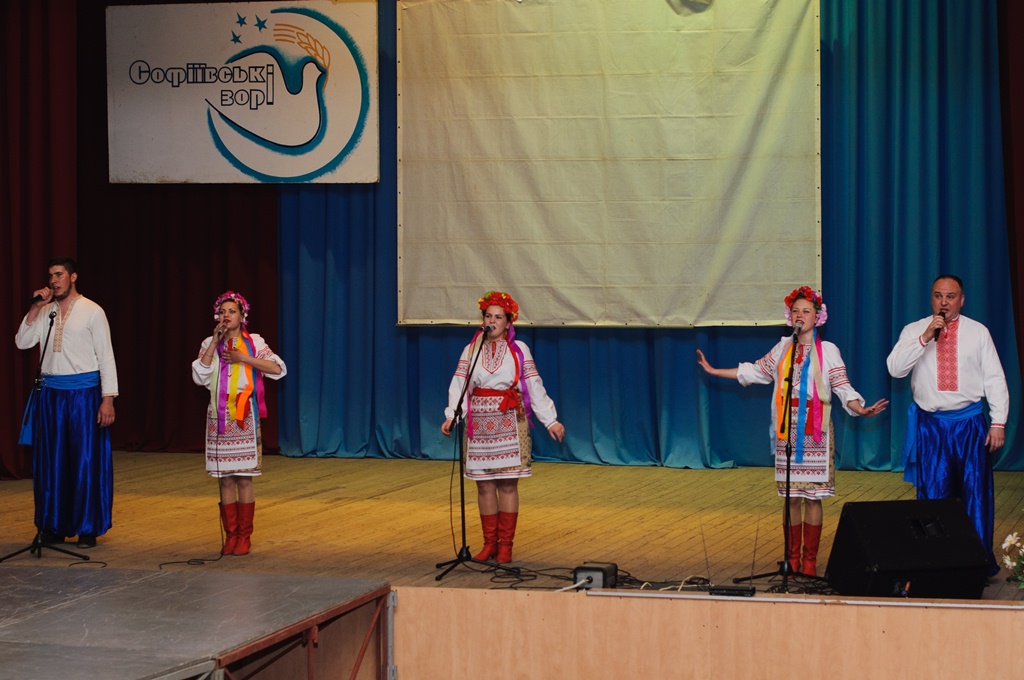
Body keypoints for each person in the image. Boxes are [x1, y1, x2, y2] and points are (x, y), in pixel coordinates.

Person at [696, 286, 888, 576]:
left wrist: (860, 408)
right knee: (791, 496)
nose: (800, 315)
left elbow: (841, 386)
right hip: (788, 429)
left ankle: (809, 562)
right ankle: (791, 559)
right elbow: (756, 371)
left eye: (806, 311)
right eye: (796, 311)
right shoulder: (783, 347)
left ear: (817, 317)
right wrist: (714, 371)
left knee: (813, 497)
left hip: (816, 429)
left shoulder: (829, 351)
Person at [887, 274, 1008, 575]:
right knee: (933, 496)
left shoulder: (978, 332)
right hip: (931, 427)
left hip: (969, 426)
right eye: (938, 295)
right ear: (931, 298)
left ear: (961, 300)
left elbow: (994, 378)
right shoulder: (915, 329)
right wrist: (925, 337)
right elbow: (895, 369)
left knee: (975, 496)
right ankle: (936, 563)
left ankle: (976, 563)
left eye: (950, 296)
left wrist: (998, 422)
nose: (944, 302)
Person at [441, 291, 566, 563]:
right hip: (479, 423)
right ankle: (489, 544)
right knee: (484, 486)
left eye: (498, 317)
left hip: (510, 418)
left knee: (507, 485)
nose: (492, 321)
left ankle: (506, 546)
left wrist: (550, 420)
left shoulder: (518, 349)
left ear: (508, 322)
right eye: (488, 316)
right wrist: (453, 415)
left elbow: (533, 385)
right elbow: (460, 384)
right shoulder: (471, 350)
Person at [15, 257, 118, 549]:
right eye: (51, 276)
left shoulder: (92, 311)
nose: (53, 281)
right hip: (50, 396)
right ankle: (53, 525)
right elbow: (22, 342)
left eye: (59, 275)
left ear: (73, 277)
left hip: (83, 396)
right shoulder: (45, 311)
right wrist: (35, 307)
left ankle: (86, 527)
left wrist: (107, 399)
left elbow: (106, 356)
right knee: (52, 462)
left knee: (84, 462)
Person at [192, 291, 286, 556]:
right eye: (222, 312)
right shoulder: (209, 343)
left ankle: (244, 536)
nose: (226, 315)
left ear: (243, 316)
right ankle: (231, 535)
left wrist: (243, 358)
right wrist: (214, 342)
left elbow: (277, 369)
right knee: (225, 480)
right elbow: (199, 376)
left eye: (232, 311)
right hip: (218, 417)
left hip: (244, 415)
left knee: (244, 478)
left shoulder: (254, 342)